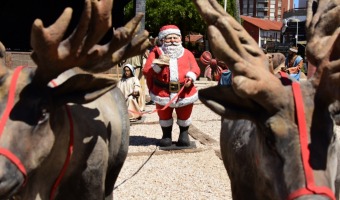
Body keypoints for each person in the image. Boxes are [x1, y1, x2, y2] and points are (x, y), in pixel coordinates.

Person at [143, 25, 201, 147]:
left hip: (184, 92)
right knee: (164, 115)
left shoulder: (187, 53)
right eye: (169, 38)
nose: (173, 41)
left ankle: (184, 135)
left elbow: (195, 68)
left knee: (185, 114)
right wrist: (158, 65)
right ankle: (166, 136)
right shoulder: (156, 53)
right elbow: (147, 70)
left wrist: (191, 77)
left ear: (180, 39)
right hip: (162, 92)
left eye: (175, 38)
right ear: (163, 40)